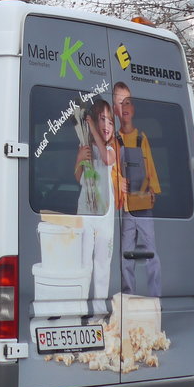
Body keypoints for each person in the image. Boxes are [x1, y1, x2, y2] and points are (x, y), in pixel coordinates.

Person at [113, 81, 162, 297]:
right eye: (120, 103)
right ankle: (128, 296)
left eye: (128, 103)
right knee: (126, 255)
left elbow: (150, 164)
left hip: (142, 205)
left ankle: (155, 297)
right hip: (125, 207)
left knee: (151, 253)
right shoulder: (114, 139)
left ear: (132, 109)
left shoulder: (142, 137)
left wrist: (154, 191)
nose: (124, 108)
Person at [74, 96, 118, 321]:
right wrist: (80, 158)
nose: (107, 125)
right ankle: (80, 308)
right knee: (84, 262)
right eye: (102, 120)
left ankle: (99, 312)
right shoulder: (85, 145)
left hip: (104, 214)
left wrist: (93, 127)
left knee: (102, 262)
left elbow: (106, 159)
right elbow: (78, 177)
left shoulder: (111, 148)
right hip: (85, 212)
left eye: (110, 121)